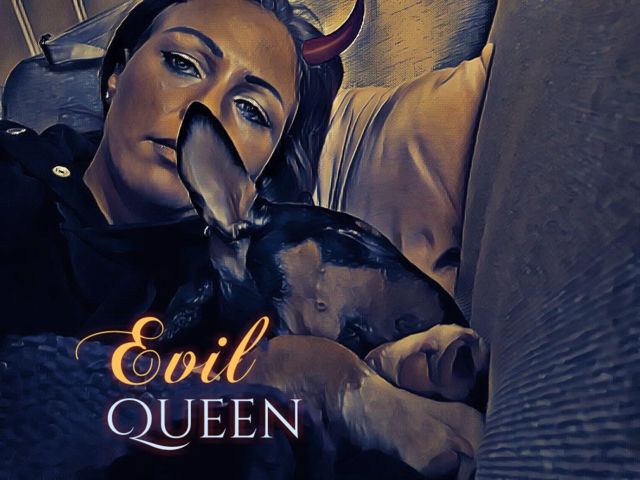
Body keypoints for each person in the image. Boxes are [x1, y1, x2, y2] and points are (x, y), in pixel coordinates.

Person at [0, 0, 486, 477]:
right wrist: (292, 373)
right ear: (117, 74)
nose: (205, 108)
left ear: (262, 166)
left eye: (252, 110)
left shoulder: (254, 269)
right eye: (183, 63)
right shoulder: (13, 170)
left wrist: (335, 371)